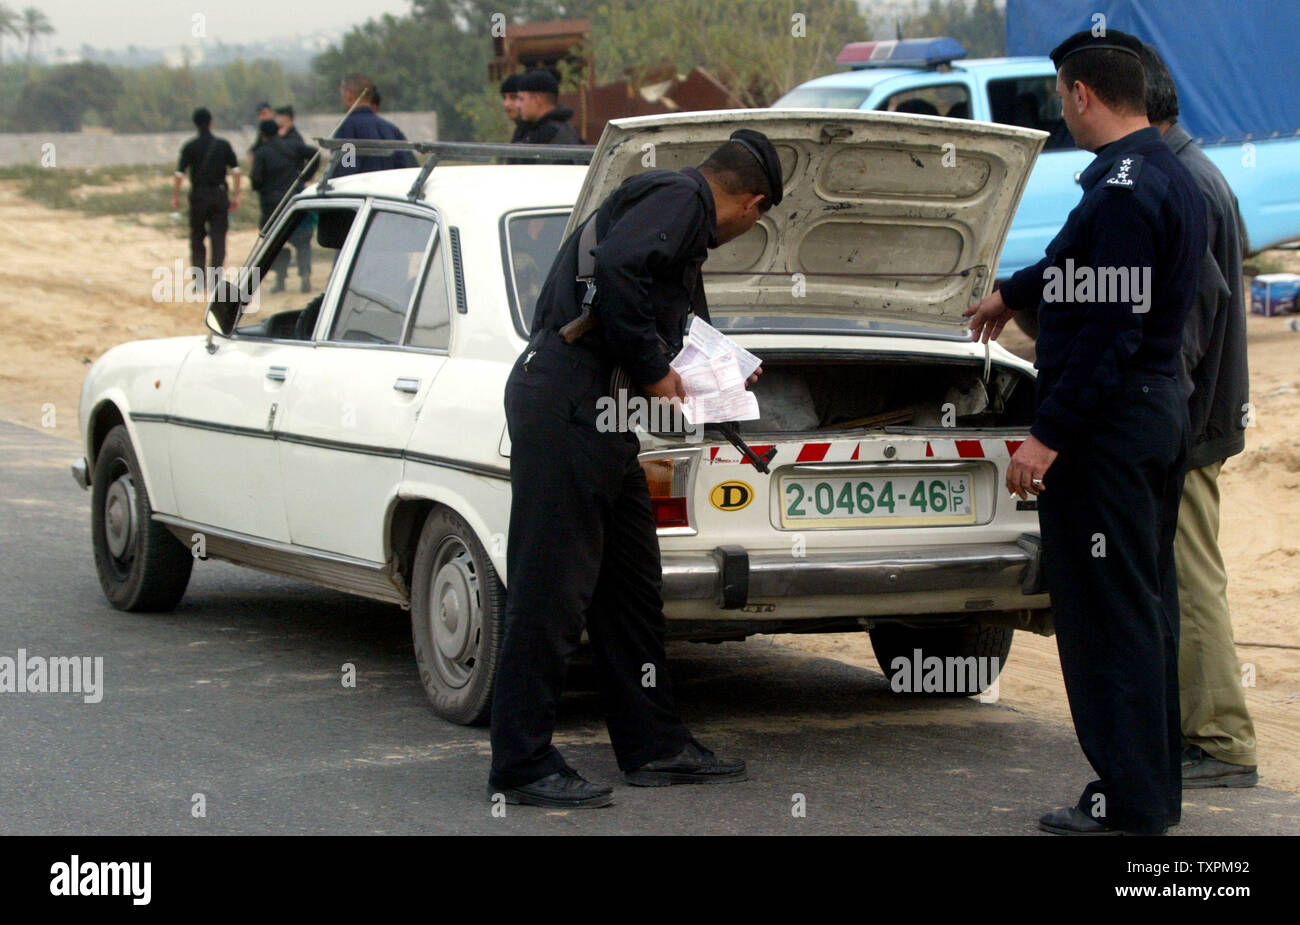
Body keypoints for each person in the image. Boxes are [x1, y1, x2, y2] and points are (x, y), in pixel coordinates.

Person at [489, 129, 784, 808]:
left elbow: (659, 311)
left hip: (602, 411)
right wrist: (652, 371)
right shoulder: (684, 197)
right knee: (551, 588)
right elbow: (619, 268)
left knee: (629, 588)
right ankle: (521, 761)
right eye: (758, 220)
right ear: (752, 203)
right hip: (569, 400)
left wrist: (726, 367)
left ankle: (655, 745)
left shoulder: (669, 205)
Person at [965, 28, 1206, 835]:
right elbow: (1084, 264)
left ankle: (1130, 802)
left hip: (1107, 426)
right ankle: (1148, 791)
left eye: (1061, 97)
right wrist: (1015, 291)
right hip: (1151, 414)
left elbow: (1108, 331)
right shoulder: (1161, 172)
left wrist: (1047, 436)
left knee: (1109, 616)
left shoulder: (1125, 191)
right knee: (1142, 606)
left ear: (1080, 95)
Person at [1140, 44, 1257, 789]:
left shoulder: (1182, 182)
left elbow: (1191, 320)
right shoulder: (1195, 171)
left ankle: (1221, 739)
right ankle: (1194, 728)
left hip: (1191, 421)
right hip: (1201, 413)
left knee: (1191, 576)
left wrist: (1162, 422)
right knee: (1181, 574)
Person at [172, 107, 240, 282]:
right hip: (219, 195)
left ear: (195, 124)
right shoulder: (223, 145)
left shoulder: (189, 147)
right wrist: (236, 195)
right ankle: (215, 280)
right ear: (211, 122)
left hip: (198, 196)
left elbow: (179, 174)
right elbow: (236, 171)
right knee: (218, 238)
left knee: (197, 237)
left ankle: (199, 280)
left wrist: (176, 196)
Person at [250, 118, 318, 291]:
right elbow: (315, 153)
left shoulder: (262, 153)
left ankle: (280, 280)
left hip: (272, 206)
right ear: (278, 131)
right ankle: (305, 277)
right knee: (302, 241)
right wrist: (305, 177)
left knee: (274, 243)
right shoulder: (293, 146)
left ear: (263, 135)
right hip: (296, 201)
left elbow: (255, 181)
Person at [332, 74, 417, 176]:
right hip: (389, 190)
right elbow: (410, 169)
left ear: (349, 95)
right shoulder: (392, 130)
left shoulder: (346, 129)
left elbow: (345, 172)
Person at [506, 69, 584, 164]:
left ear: (537, 100)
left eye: (522, 99)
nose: (518, 105)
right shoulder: (528, 130)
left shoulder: (558, 136)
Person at [500, 73, 525, 141]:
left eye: (513, 97)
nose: (506, 104)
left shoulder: (544, 133)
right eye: (504, 98)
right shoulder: (520, 132)